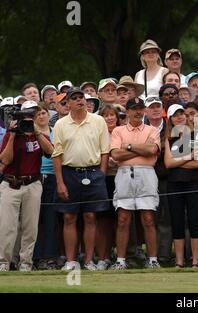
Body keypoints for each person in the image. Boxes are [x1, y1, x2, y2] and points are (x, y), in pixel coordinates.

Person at [52, 87, 110, 271]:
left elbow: (105, 151)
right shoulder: (61, 124)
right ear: (67, 103)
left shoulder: (98, 121)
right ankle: (71, 261)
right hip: (69, 173)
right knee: (69, 217)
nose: (79, 100)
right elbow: (57, 155)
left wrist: (101, 173)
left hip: (93, 173)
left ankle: (88, 261)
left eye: (81, 97)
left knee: (90, 216)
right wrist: (60, 182)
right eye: (74, 98)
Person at [0, 101, 53, 272]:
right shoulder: (10, 134)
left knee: (30, 227)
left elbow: (51, 152)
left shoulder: (38, 134)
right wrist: (14, 134)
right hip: (11, 183)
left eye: (33, 115)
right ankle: (4, 262)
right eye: (27, 116)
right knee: (7, 226)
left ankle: (26, 262)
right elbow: (5, 160)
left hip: (33, 183)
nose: (29, 119)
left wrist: (36, 132)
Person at [110, 99, 161, 269]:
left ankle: (153, 260)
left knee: (148, 218)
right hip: (124, 173)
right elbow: (116, 155)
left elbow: (152, 150)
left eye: (140, 108)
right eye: (134, 109)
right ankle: (120, 261)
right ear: (128, 111)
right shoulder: (118, 130)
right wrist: (141, 149)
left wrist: (129, 146)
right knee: (123, 218)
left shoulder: (152, 130)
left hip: (146, 174)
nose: (138, 112)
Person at [164, 104, 198, 268]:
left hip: (194, 182)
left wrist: (177, 162)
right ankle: (179, 261)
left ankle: (195, 261)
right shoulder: (168, 138)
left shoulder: (196, 135)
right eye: (175, 115)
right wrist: (189, 156)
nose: (179, 117)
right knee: (177, 221)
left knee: (195, 220)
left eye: (181, 114)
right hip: (174, 184)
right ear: (171, 120)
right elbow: (167, 163)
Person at [144, 95, 172, 265]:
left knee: (165, 218)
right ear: (146, 110)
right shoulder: (141, 128)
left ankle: (163, 257)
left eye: (157, 106)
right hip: (144, 176)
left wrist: (149, 149)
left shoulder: (170, 127)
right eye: (151, 107)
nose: (155, 109)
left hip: (165, 178)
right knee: (146, 218)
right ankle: (147, 256)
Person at [33, 106, 59, 270]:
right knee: (34, 220)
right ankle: (35, 257)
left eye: (43, 113)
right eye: (37, 114)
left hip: (53, 177)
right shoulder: (29, 132)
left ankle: (49, 257)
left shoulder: (57, 131)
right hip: (35, 177)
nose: (41, 116)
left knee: (51, 219)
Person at [96, 104, 120, 270]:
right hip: (103, 179)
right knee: (103, 220)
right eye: (106, 115)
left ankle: (121, 257)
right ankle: (103, 257)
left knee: (121, 220)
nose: (110, 118)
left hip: (121, 178)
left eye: (113, 115)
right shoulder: (97, 133)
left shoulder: (123, 132)